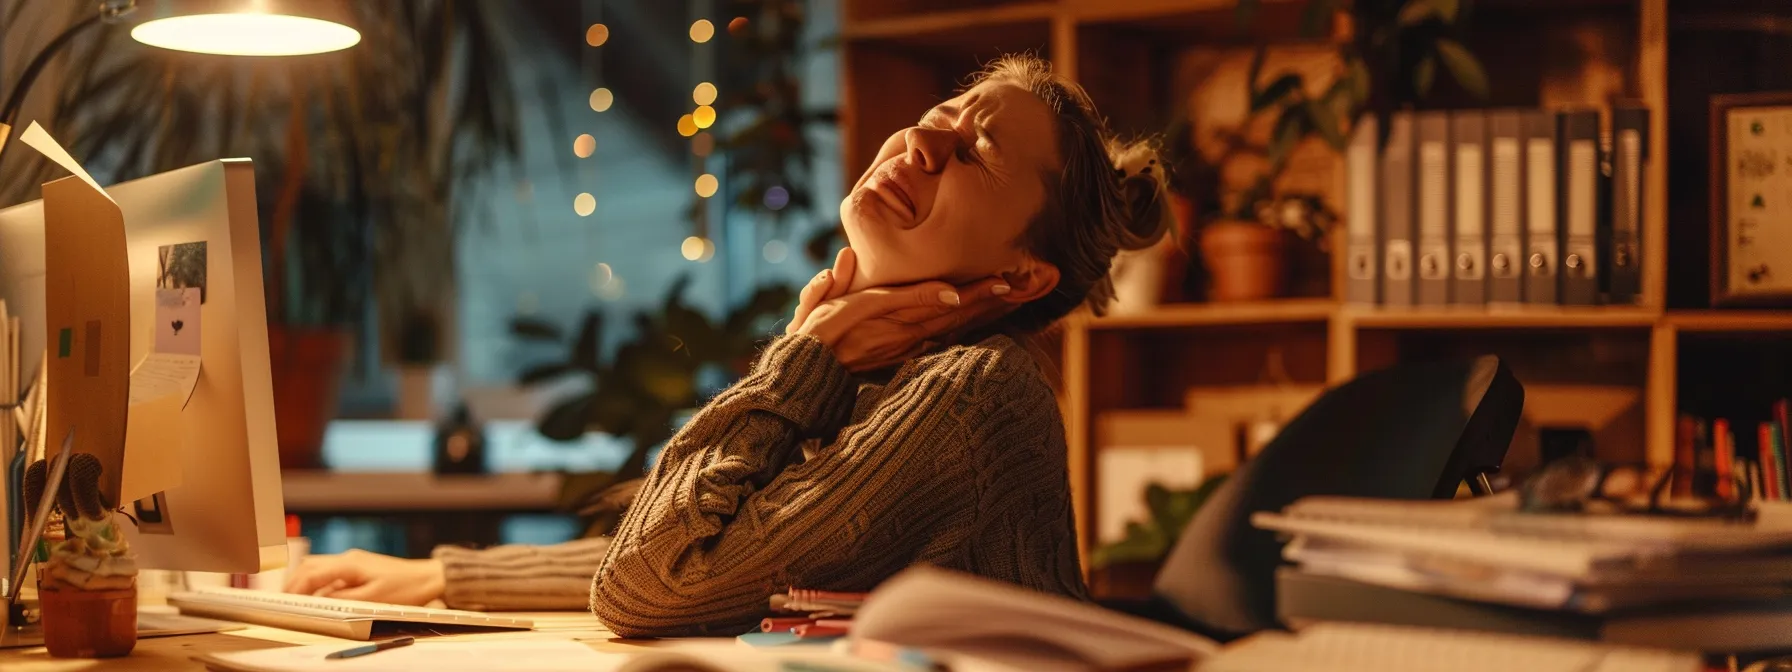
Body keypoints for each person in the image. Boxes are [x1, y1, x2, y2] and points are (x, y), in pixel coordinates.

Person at [283, 53, 1172, 638]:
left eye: (977, 149)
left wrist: (804, 349)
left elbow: (652, 583)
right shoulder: (883, 375)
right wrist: (438, 578)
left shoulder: (976, 391)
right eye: (946, 110)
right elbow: (740, 555)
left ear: (1022, 279)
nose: (925, 137)